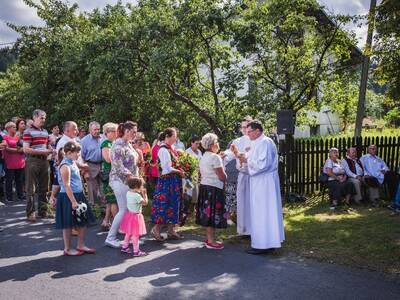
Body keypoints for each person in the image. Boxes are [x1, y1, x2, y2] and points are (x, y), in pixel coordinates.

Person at [236, 120, 284, 254]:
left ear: (258, 131)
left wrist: (246, 160)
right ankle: (266, 242)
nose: (247, 133)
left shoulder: (265, 142)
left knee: (263, 212)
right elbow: (252, 160)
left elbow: (263, 164)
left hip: (265, 182)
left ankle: (262, 244)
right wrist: (243, 159)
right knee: (261, 212)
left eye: (249, 131)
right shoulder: (256, 142)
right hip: (259, 181)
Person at [55, 141, 95, 256]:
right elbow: (66, 185)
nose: (78, 155)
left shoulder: (73, 162)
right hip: (68, 197)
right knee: (68, 224)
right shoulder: (65, 166)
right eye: (77, 153)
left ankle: (81, 245)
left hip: (78, 195)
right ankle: (67, 249)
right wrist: (73, 201)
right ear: (68, 153)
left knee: (82, 221)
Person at [105, 121, 140, 248]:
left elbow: (133, 163)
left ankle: (129, 236)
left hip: (129, 181)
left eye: (136, 131)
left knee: (129, 209)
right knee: (124, 209)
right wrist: (134, 178)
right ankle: (111, 237)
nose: (135, 134)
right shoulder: (118, 145)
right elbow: (118, 167)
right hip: (119, 181)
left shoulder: (128, 144)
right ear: (126, 131)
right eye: (133, 132)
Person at [151, 127, 183, 241]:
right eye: (175, 136)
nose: (176, 138)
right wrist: (179, 171)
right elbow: (166, 169)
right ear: (168, 137)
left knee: (173, 204)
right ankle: (156, 229)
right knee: (164, 205)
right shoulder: (163, 150)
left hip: (173, 181)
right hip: (166, 181)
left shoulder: (171, 148)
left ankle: (171, 230)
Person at [196, 133, 227, 250]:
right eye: (217, 142)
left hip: (205, 187)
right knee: (212, 215)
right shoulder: (215, 157)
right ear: (213, 144)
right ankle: (211, 241)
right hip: (213, 188)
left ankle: (209, 238)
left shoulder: (204, 156)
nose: (218, 144)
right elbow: (222, 176)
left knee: (208, 213)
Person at [23, 109, 53, 221]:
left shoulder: (45, 131)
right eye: (41, 117)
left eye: (44, 117)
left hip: (45, 161)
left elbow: (48, 145)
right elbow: (26, 149)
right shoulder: (28, 131)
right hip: (33, 161)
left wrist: (52, 150)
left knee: (45, 188)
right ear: (35, 117)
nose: (43, 120)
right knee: (31, 188)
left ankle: (43, 211)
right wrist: (43, 152)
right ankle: (31, 213)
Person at [226, 116, 252, 235]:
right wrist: (222, 156)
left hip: (254, 175)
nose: (244, 129)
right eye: (242, 127)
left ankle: (254, 228)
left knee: (253, 203)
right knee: (242, 202)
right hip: (242, 174)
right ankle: (243, 230)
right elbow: (230, 154)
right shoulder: (237, 141)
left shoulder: (256, 140)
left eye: (246, 126)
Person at [120, 177, 148, 256]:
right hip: (136, 217)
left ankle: (124, 247)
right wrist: (145, 194)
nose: (142, 187)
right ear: (136, 186)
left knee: (128, 233)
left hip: (129, 215)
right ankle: (136, 251)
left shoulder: (128, 193)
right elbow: (145, 203)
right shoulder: (137, 196)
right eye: (141, 186)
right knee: (135, 235)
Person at [100, 122, 118, 231]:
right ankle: (116, 224)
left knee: (110, 200)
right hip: (109, 173)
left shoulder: (114, 143)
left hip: (114, 172)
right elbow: (107, 159)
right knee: (113, 199)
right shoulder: (106, 143)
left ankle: (106, 221)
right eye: (114, 131)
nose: (116, 133)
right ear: (108, 132)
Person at [81, 121, 103, 205]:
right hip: (90, 165)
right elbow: (81, 157)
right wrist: (85, 171)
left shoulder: (103, 138)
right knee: (92, 189)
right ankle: (93, 208)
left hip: (102, 165)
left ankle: (104, 208)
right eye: (95, 129)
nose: (97, 131)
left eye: (98, 129)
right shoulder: (84, 141)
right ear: (90, 130)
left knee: (103, 188)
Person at [3, 122, 25, 202]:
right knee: (9, 180)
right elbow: (6, 148)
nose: (16, 128)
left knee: (19, 180)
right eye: (14, 127)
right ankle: (9, 197)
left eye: (15, 127)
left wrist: (20, 150)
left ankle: (20, 195)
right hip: (10, 162)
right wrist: (18, 150)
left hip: (20, 162)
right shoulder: (5, 137)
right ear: (8, 128)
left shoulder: (19, 137)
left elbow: (24, 147)